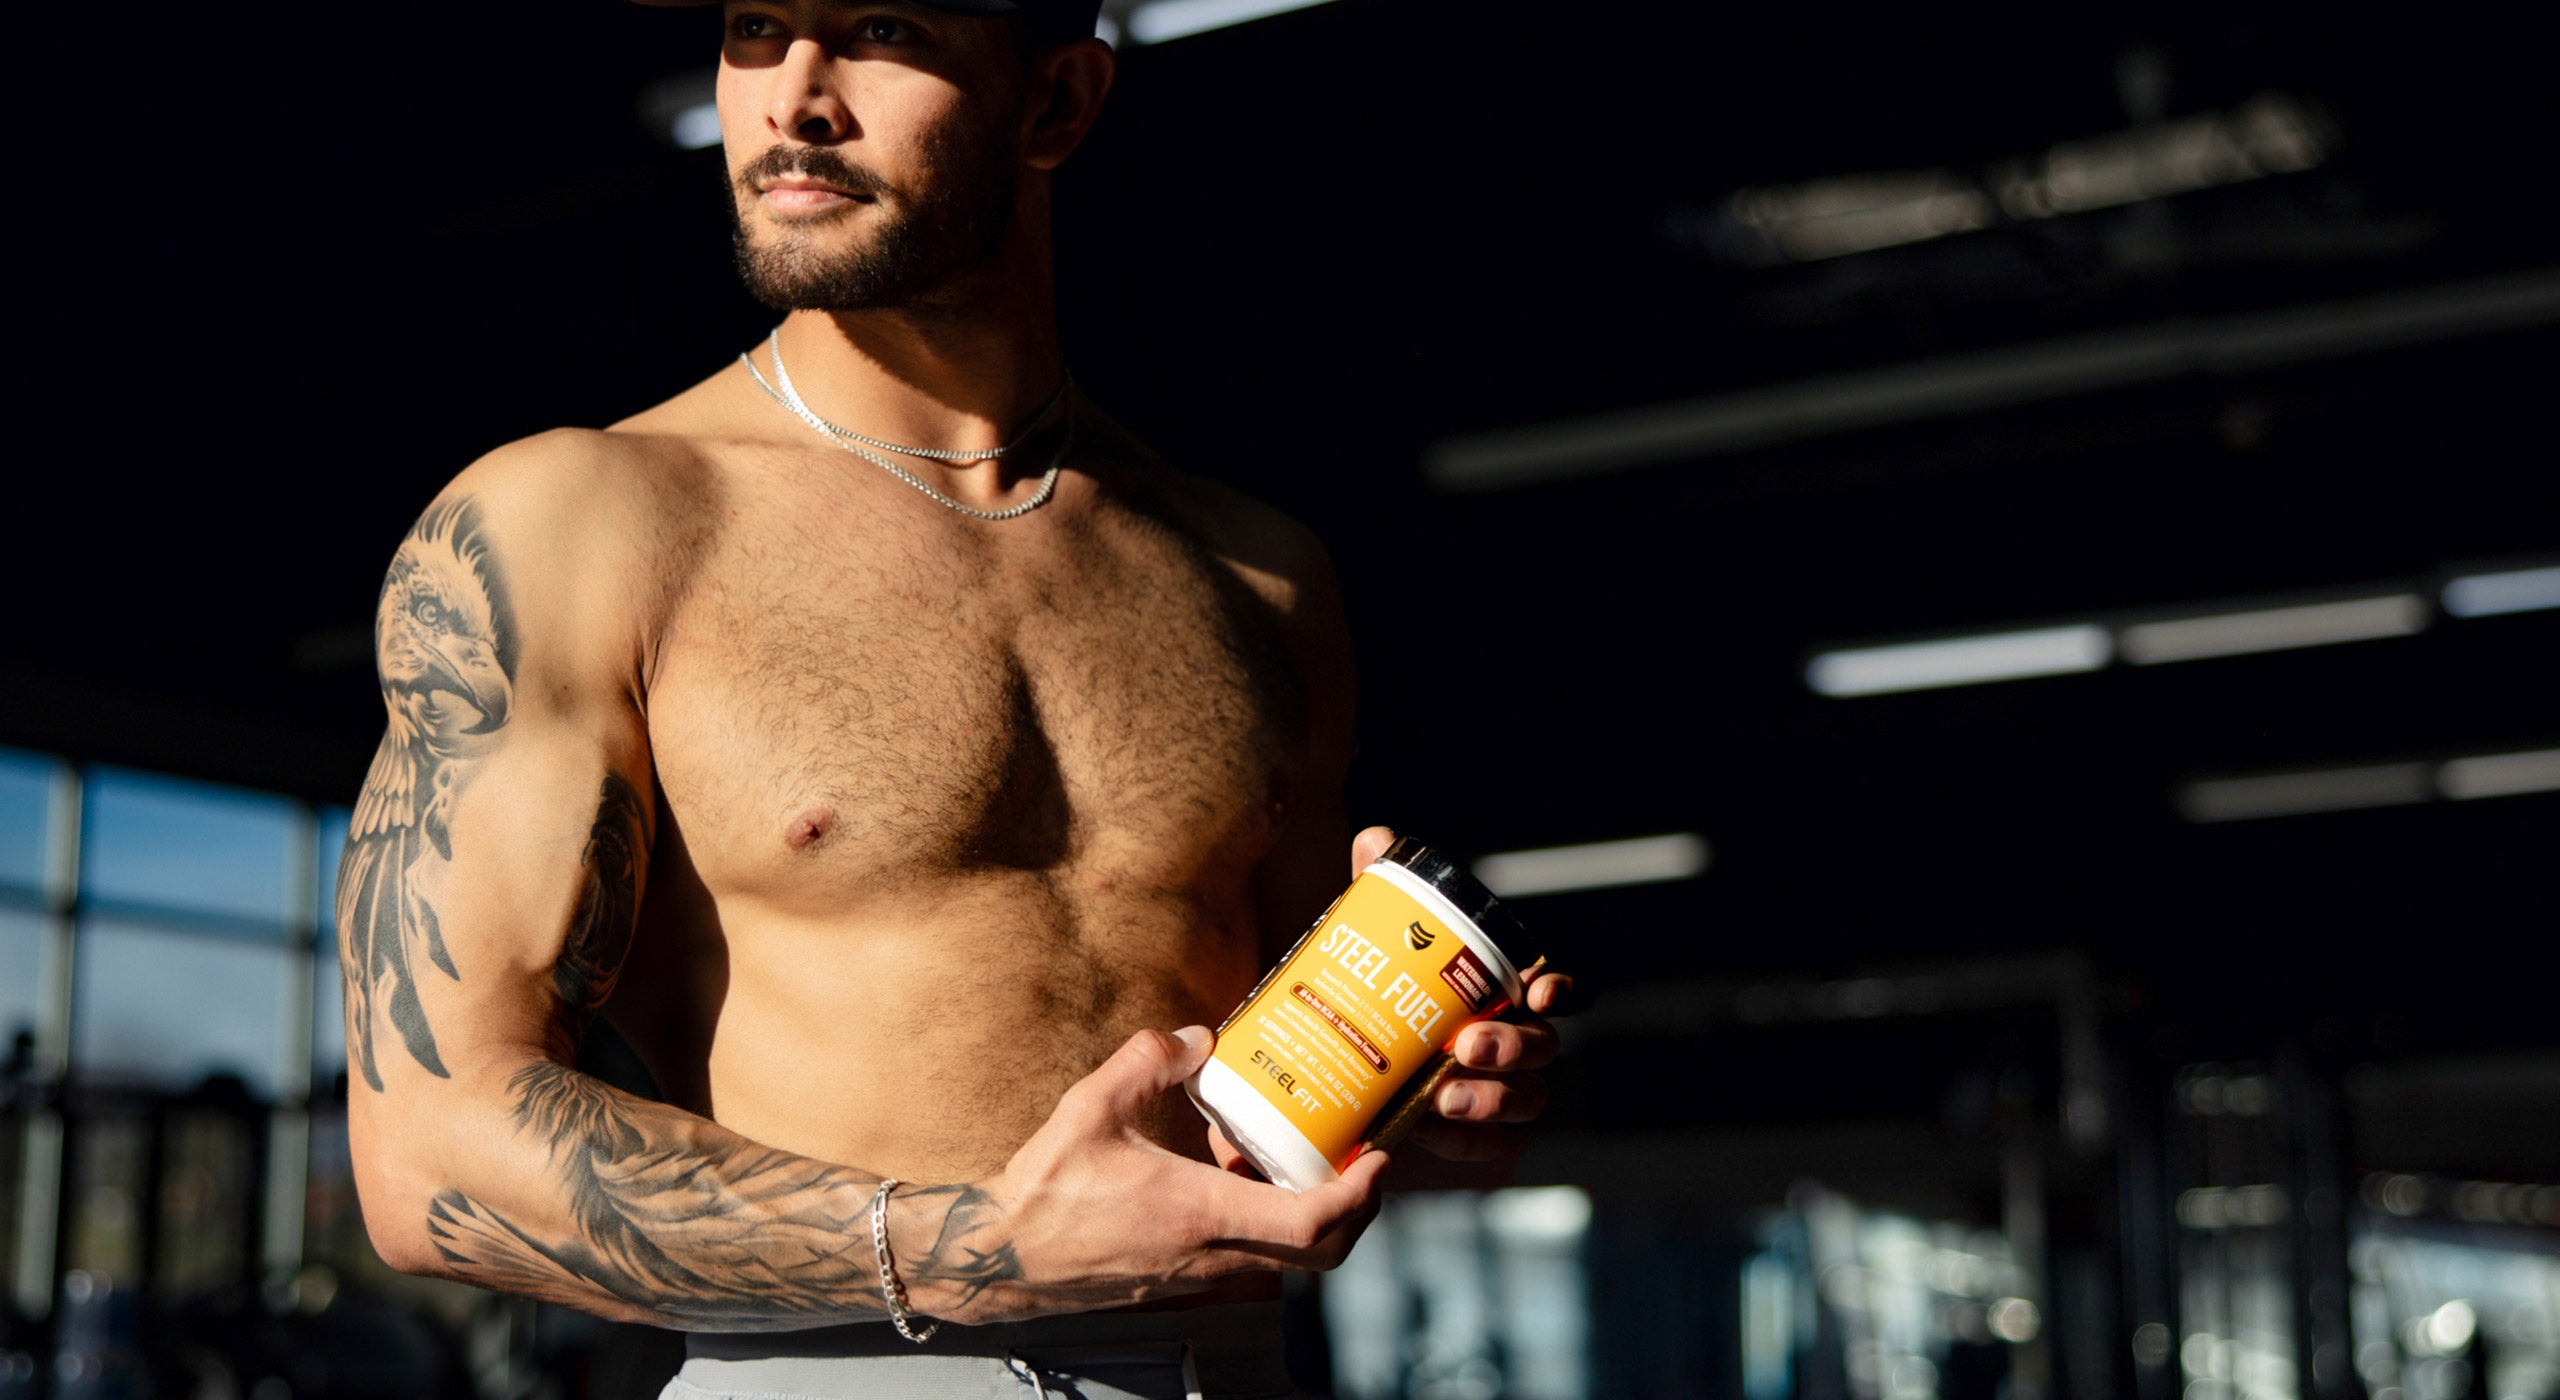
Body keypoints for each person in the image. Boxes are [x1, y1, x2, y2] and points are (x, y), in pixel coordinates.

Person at [337, 2, 1573, 1395]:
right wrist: (980, 1244)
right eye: (757, 27)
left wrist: (1434, 1086)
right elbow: (428, 1148)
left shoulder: (1262, 579)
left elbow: (1264, 1119)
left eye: (879, 26)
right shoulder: (577, 523)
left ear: (1055, 103)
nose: (795, 96)